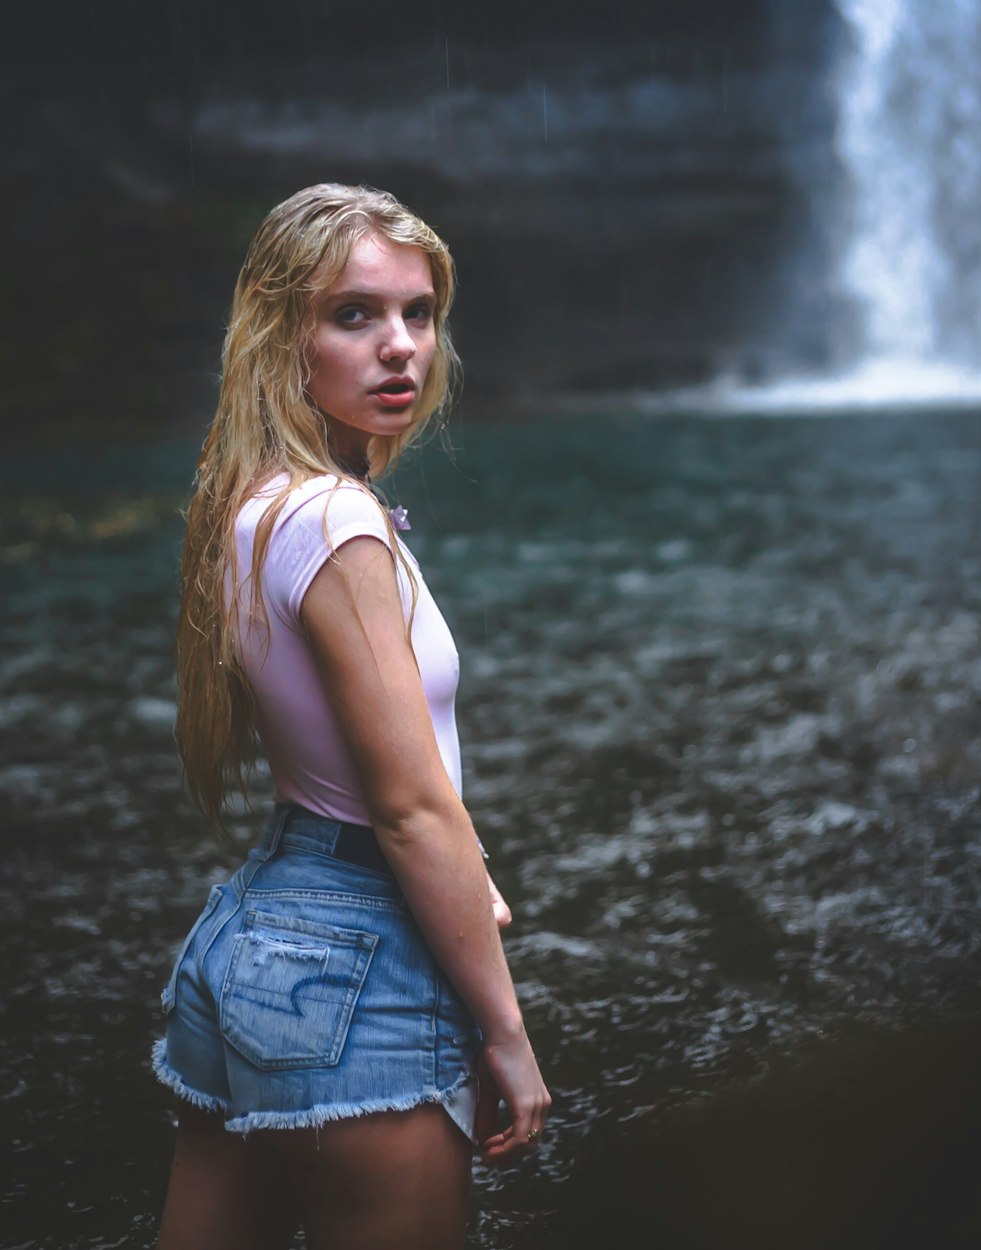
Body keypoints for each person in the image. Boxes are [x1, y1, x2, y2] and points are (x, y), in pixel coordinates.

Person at [153, 183, 551, 1250]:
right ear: (285, 335)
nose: (400, 348)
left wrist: (468, 868)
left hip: (250, 937)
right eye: (355, 314)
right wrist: (507, 1033)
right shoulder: (337, 519)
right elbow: (410, 806)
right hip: (353, 965)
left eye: (418, 313)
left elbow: (347, 769)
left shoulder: (251, 499)